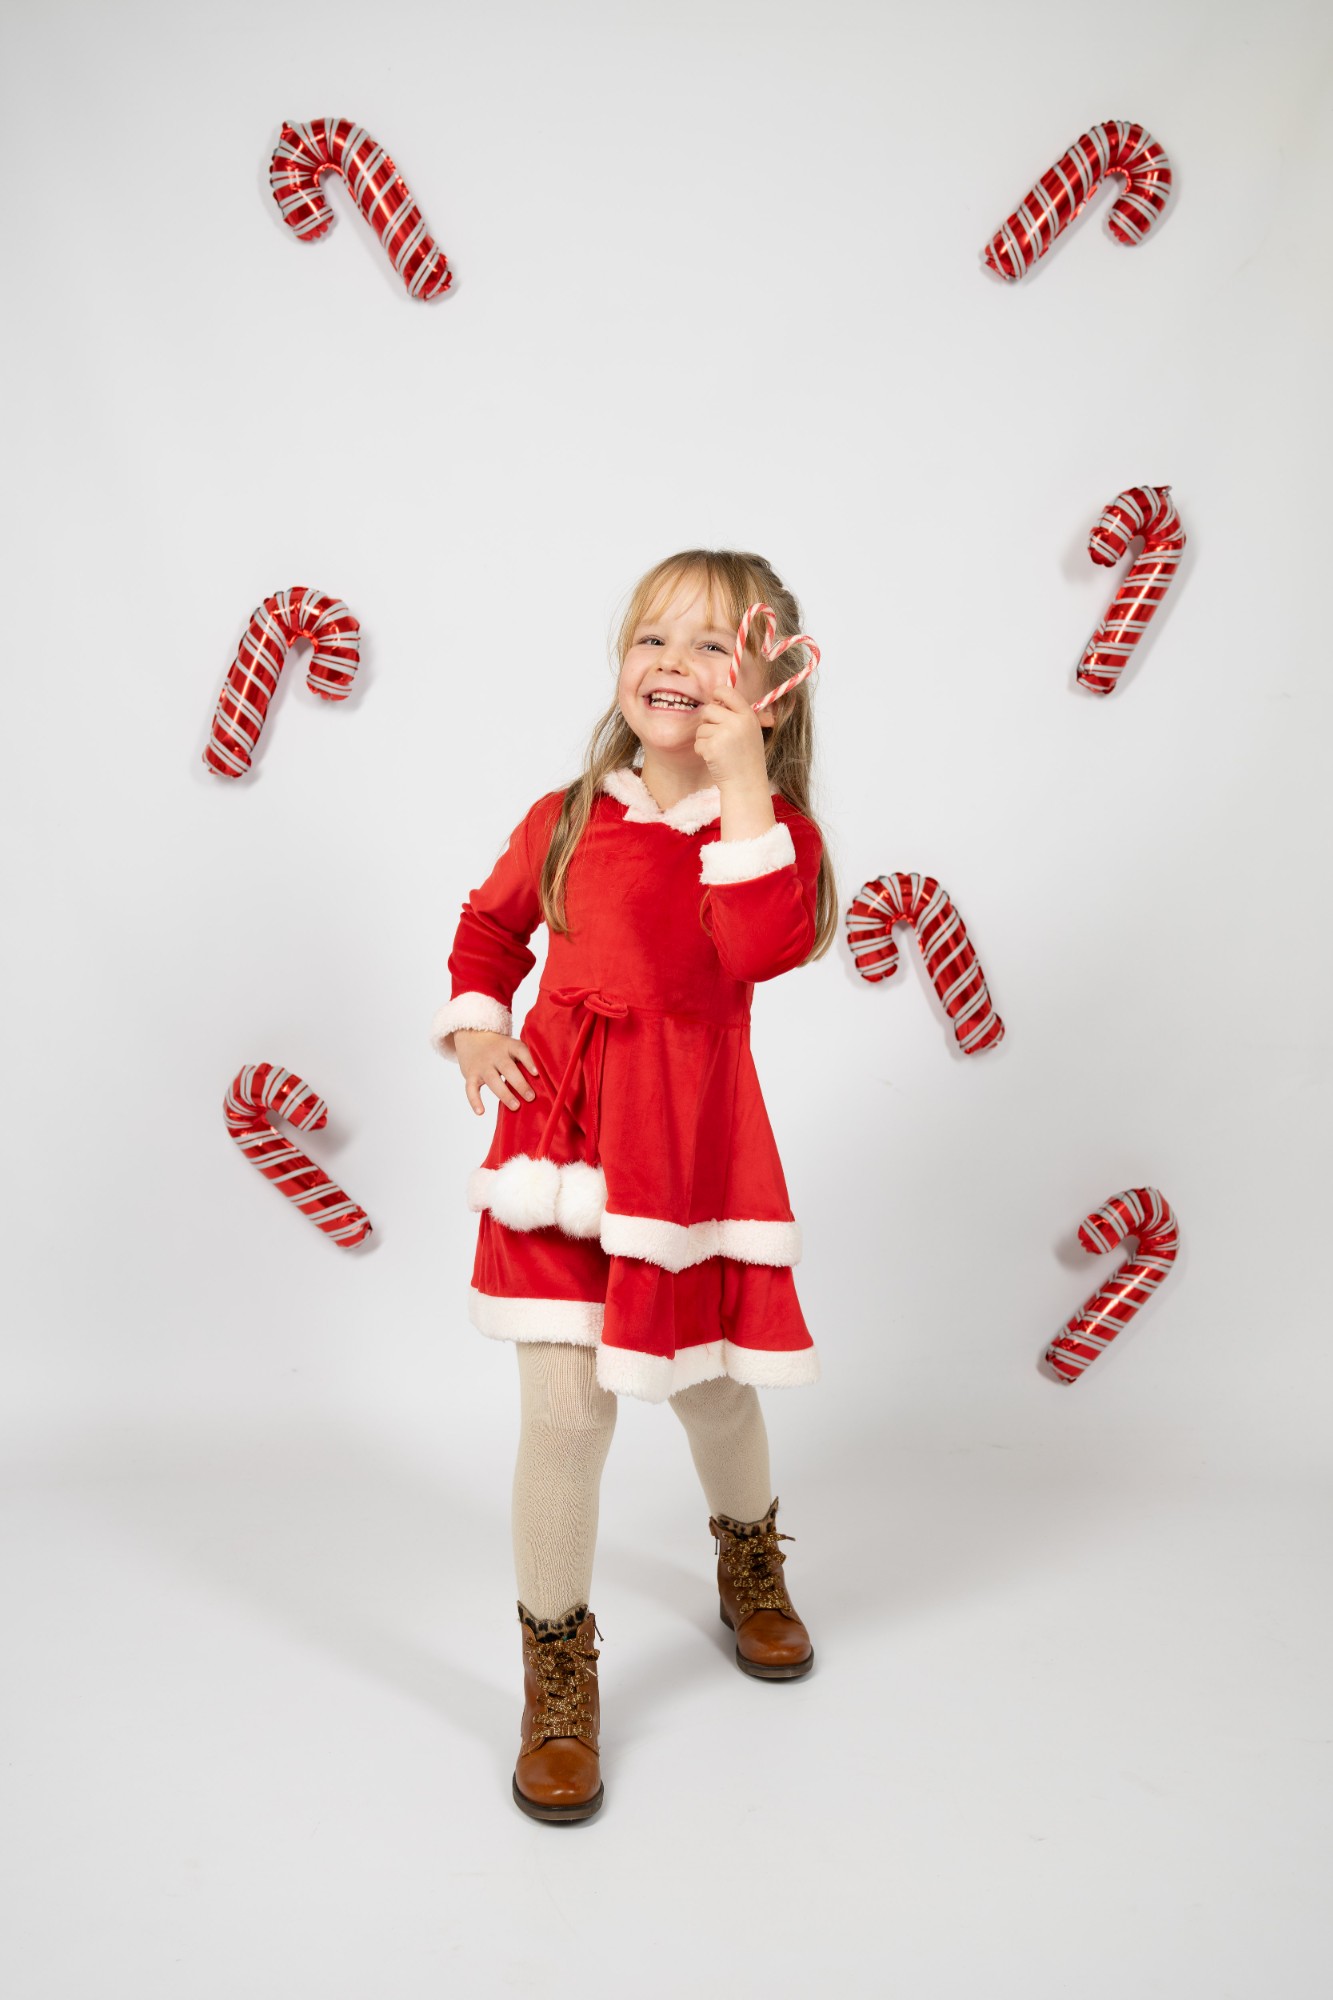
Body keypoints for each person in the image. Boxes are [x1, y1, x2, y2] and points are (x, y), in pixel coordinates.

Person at [430, 548, 838, 1821]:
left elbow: (762, 944)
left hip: (687, 1154)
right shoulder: (567, 815)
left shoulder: (766, 834)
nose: (673, 662)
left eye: (714, 645)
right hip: (557, 1146)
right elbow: (489, 926)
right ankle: (556, 1666)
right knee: (565, 1415)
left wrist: (740, 781)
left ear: (768, 685)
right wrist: (479, 1025)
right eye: (652, 636)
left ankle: (749, 1558)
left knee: (713, 1395)